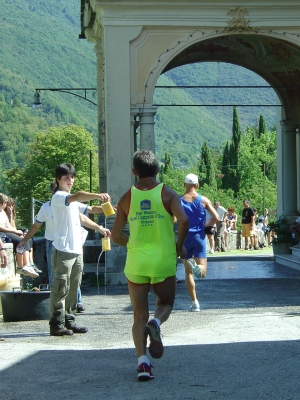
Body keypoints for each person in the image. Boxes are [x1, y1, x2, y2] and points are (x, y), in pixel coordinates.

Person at [111, 150, 189, 381]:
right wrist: (178, 245)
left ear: (134, 173)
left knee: (138, 317)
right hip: (163, 259)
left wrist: (133, 245)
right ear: (157, 170)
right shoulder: (167, 194)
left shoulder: (127, 197)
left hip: (137, 261)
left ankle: (143, 364)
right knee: (165, 302)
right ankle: (156, 322)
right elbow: (183, 220)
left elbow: (115, 235)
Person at [44, 163, 111, 337]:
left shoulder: (72, 202)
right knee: (60, 287)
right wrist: (97, 194)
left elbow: (88, 212)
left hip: (76, 250)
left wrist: (103, 224)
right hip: (63, 250)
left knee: (74, 288)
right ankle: (56, 323)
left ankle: (69, 320)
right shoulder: (59, 197)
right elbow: (79, 196)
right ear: (58, 180)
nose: (70, 180)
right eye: (66, 177)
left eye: (72, 177)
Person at [179, 174, 219, 312]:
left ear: (184, 185)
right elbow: (217, 217)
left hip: (184, 238)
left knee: (188, 272)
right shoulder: (204, 200)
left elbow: (172, 221)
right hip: (199, 237)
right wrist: (204, 224)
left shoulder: (178, 201)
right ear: (197, 185)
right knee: (202, 272)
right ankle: (197, 267)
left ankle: (195, 303)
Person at [0, 193, 38, 278]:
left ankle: (27, 264)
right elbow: (1, 227)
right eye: (5, 203)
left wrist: (16, 231)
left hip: (7, 231)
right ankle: (20, 267)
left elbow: (8, 225)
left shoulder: (2, 212)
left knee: (25, 239)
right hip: (2, 233)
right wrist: (15, 232)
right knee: (19, 241)